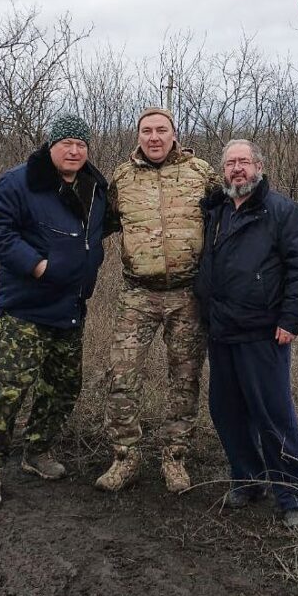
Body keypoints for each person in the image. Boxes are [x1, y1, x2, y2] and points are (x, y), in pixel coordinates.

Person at [0, 113, 108, 510]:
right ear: (51, 145)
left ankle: (37, 451)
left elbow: (104, 228)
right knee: (7, 391)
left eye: (81, 144)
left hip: (71, 308)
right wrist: (38, 264)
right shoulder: (20, 182)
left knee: (62, 388)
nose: (74, 150)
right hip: (25, 311)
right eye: (66, 142)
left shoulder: (96, 188)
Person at [194, 139, 298, 530]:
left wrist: (291, 319)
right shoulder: (215, 211)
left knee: (273, 416)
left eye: (243, 162)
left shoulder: (281, 211)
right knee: (226, 412)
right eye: (230, 163)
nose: (237, 169)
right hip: (222, 331)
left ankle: (293, 496)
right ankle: (249, 479)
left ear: (259, 166)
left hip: (264, 333)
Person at [95, 107, 217, 494]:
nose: (154, 137)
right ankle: (125, 457)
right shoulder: (122, 177)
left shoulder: (200, 173)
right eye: (146, 131)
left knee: (184, 379)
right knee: (122, 376)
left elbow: (232, 214)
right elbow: (103, 224)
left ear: (173, 133)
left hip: (187, 296)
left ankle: (175, 457)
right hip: (138, 295)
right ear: (138, 136)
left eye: (161, 130)